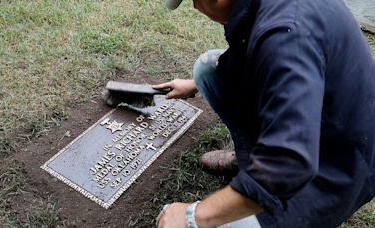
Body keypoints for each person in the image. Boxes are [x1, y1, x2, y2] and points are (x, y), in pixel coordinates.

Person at [154, 0, 375, 227]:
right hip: (322, 123)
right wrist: (195, 84)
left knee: (228, 223)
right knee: (208, 70)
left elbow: (290, 163)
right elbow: (271, 66)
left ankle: (266, 179)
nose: (194, 8)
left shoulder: (286, 34)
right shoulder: (270, 11)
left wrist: (194, 216)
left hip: (340, 165)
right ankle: (252, 162)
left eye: (194, 0)